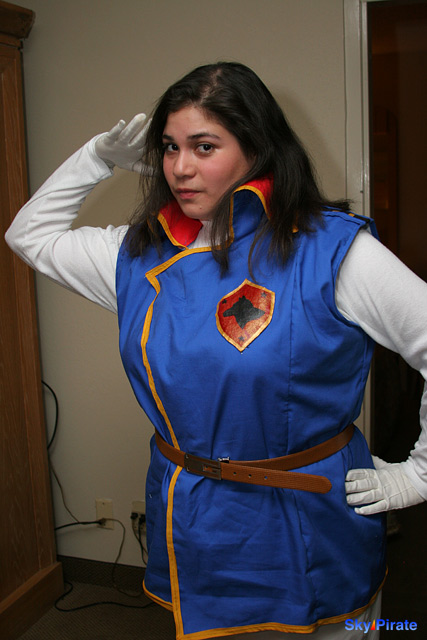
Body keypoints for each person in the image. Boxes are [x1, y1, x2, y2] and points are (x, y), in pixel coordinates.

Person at [5, 62, 427, 640]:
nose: (180, 167)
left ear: (258, 148)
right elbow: (28, 235)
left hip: (306, 519)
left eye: (204, 147)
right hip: (194, 516)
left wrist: (419, 474)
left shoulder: (331, 250)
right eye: (170, 147)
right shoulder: (138, 256)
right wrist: (95, 158)